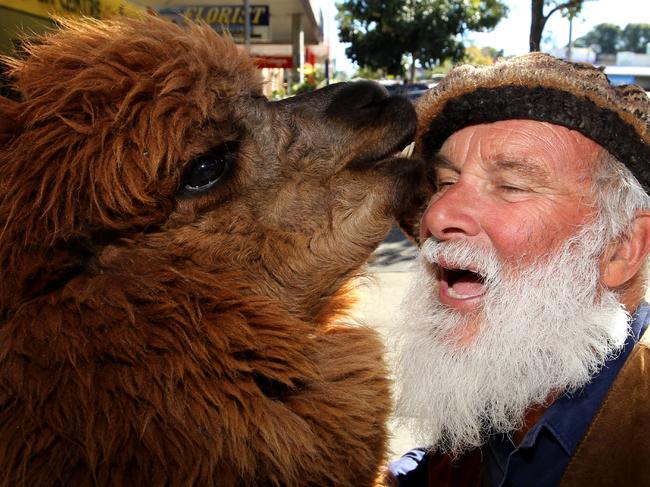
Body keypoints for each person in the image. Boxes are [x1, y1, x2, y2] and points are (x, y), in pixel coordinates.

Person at [387, 52, 650, 486]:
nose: (436, 216)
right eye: (447, 182)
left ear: (620, 248)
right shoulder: (507, 379)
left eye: (511, 186)